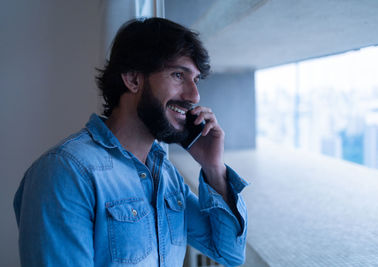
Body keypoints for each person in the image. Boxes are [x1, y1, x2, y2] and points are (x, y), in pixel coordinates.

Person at [13, 17, 248, 267]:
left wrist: (214, 168)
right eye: (178, 75)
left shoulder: (167, 177)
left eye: (196, 80)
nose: (194, 95)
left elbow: (230, 254)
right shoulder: (65, 172)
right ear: (133, 79)